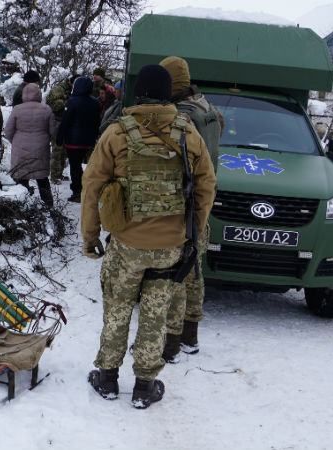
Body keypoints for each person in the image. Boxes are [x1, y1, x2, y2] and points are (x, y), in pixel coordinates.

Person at [81, 64, 216, 409]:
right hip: (170, 247)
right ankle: (144, 385)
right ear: (168, 93)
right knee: (156, 314)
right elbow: (205, 187)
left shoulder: (116, 132)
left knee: (117, 308)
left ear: (138, 92)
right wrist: (194, 233)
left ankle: (108, 377)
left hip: (126, 244)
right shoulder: (189, 132)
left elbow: (92, 185)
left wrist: (90, 235)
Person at [158, 56, 225, 362]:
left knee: (177, 273)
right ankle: (190, 335)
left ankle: (170, 343)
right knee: (195, 270)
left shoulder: (182, 116)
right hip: (203, 201)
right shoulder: (207, 108)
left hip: (183, 205)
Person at [3, 83, 55, 206]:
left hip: (20, 149)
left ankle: (22, 205)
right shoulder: (47, 109)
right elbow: (53, 131)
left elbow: (8, 131)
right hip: (41, 149)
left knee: (21, 178)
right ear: (39, 94)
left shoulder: (17, 109)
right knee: (42, 179)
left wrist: (15, 142)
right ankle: (48, 206)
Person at [55, 76, 99, 203]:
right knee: (86, 165)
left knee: (75, 166)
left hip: (73, 141)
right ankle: (86, 187)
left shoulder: (72, 101)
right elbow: (97, 122)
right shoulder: (95, 102)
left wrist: (59, 137)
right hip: (89, 140)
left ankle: (77, 190)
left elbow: (65, 121)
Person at [46, 75, 77, 183]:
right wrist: (67, 102)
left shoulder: (71, 90)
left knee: (64, 150)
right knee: (57, 149)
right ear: (70, 82)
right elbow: (53, 105)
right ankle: (54, 176)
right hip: (57, 121)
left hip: (66, 122)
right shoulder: (59, 89)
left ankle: (59, 173)